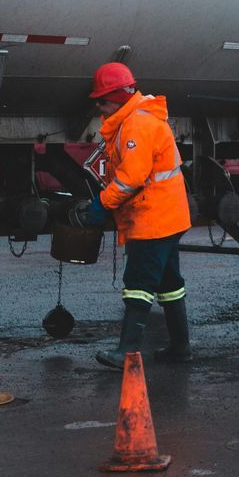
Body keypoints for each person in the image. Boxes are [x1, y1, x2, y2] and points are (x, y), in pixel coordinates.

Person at [87, 62, 193, 370]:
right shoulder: (136, 118)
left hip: (153, 219)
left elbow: (131, 178)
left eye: (102, 100)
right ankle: (180, 347)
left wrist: (102, 204)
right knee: (170, 283)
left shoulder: (137, 125)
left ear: (119, 96)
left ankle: (127, 352)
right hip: (168, 216)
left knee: (139, 284)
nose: (99, 106)